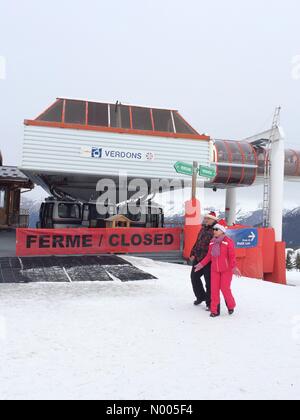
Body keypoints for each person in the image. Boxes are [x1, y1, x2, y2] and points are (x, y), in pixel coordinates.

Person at [194, 219, 241, 318]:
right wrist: (200, 265)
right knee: (214, 290)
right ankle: (215, 310)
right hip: (214, 270)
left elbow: (232, 257)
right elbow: (209, 257)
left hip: (226, 270)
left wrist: (234, 267)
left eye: (216, 229)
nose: (214, 231)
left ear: (222, 231)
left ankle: (231, 305)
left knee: (225, 289)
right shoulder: (212, 242)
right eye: (214, 229)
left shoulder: (228, 242)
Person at [190, 211, 218, 310]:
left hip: (209, 260)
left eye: (208, 219)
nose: (205, 220)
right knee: (194, 277)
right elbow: (197, 242)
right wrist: (192, 253)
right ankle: (200, 296)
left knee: (209, 282)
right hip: (198, 258)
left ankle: (210, 303)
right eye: (205, 218)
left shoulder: (216, 230)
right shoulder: (203, 229)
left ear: (213, 220)